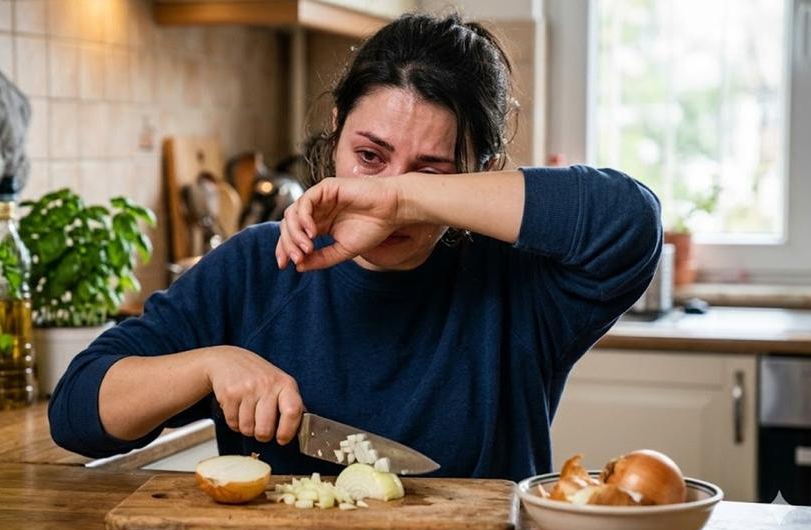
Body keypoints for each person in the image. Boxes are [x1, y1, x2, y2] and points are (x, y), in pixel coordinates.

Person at [49, 13, 662, 481]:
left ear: (482, 169)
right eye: (369, 156)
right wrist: (209, 364)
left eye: (431, 171)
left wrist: (400, 198)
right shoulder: (258, 268)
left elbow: (631, 221)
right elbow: (76, 412)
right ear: (337, 126)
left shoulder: (521, 282)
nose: (381, 197)